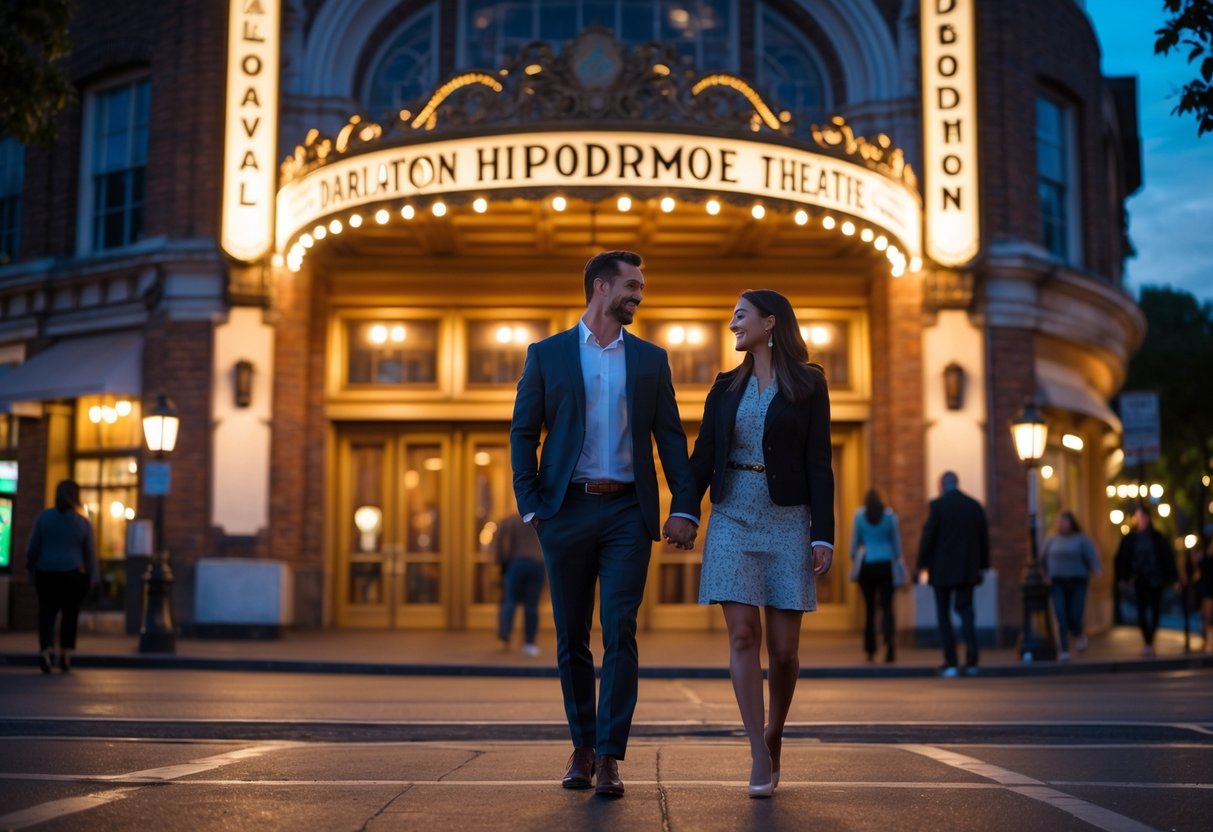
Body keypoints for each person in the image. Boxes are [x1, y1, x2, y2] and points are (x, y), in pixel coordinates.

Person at [510, 250, 699, 799]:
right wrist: (532, 504)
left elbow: (669, 437)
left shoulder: (650, 360)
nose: (639, 294)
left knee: (620, 630)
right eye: (632, 286)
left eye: (641, 287)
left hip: (625, 513)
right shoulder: (546, 355)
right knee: (571, 637)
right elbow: (524, 431)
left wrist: (683, 505)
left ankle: (612, 756)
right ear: (600, 287)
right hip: (564, 509)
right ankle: (583, 747)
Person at [689, 289, 834, 798]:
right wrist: (685, 509)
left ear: (770, 322)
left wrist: (823, 534)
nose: (732, 324)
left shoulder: (809, 383)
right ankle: (756, 748)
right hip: (732, 514)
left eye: (740, 315)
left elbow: (820, 461)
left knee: (786, 651)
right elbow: (704, 451)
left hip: (788, 519)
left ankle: (776, 732)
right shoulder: (725, 385)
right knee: (744, 635)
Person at [916, 471, 989, 677]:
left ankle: (951, 661)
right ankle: (972, 658)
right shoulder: (974, 506)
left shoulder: (938, 506)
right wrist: (983, 566)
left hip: (942, 569)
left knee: (943, 614)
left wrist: (920, 566)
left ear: (942, 485)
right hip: (967, 568)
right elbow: (983, 538)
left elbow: (928, 538)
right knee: (966, 612)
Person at [26, 480, 98, 673]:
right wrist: (93, 577)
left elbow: (32, 547)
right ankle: (65, 654)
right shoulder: (81, 522)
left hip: (45, 572)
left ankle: (46, 651)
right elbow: (90, 553)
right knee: (70, 614)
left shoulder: (43, 518)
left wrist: (30, 569)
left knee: (46, 613)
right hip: (71, 574)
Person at [1114, 504, 1179, 657]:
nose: (1139, 520)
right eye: (1137, 517)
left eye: (1142, 517)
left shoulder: (1157, 537)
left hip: (1156, 578)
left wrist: (1174, 578)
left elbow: (1168, 558)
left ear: (1148, 519)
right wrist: (1122, 579)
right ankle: (1147, 640)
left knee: (1156, 608)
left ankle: (1151, 638)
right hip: (1139, 579)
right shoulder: (1130, 539)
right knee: (1141, 609)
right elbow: (1121, 559)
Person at [849, 488, 903, 663]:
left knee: (869, 609)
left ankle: (870, 650)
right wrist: (898, 560)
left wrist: (854, 558)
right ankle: (889, 645)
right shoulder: (889, 517)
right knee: (887, 607)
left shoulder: (859, 517)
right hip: (886, 563)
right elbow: (896, 543)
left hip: (867, 564)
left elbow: (854, 544)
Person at [1040, 510, 1102, 661]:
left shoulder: (1081, 539)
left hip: (1077, 581)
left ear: (1071, 523)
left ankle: (1078, 633)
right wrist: (1045, 575)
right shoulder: (1051, 540)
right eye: (1058, 521)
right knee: (1061, 615)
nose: (1060, 524)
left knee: (1075, 613)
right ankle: (1064, 649)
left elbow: (1091, 556)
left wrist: (1097, 569)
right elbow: (1042, 559)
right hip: (1057, 582)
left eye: (1063, 521)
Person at [494, 512, 545, 656]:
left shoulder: (510, 521)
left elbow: (500, 543)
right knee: (532, 605)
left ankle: (504, 638)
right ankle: (529, 642)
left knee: (509, 601)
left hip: (516, 563)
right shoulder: (539, 519)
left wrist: (500, 563)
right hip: (537, 563)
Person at [1194, 538, 1213, 653]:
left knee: (1206, 616)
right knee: (1206, 616)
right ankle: (1206, 640)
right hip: (1207, 591)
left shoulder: (1204, 560)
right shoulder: (1205, 560)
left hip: (1207, 591)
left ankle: (1206, 640)